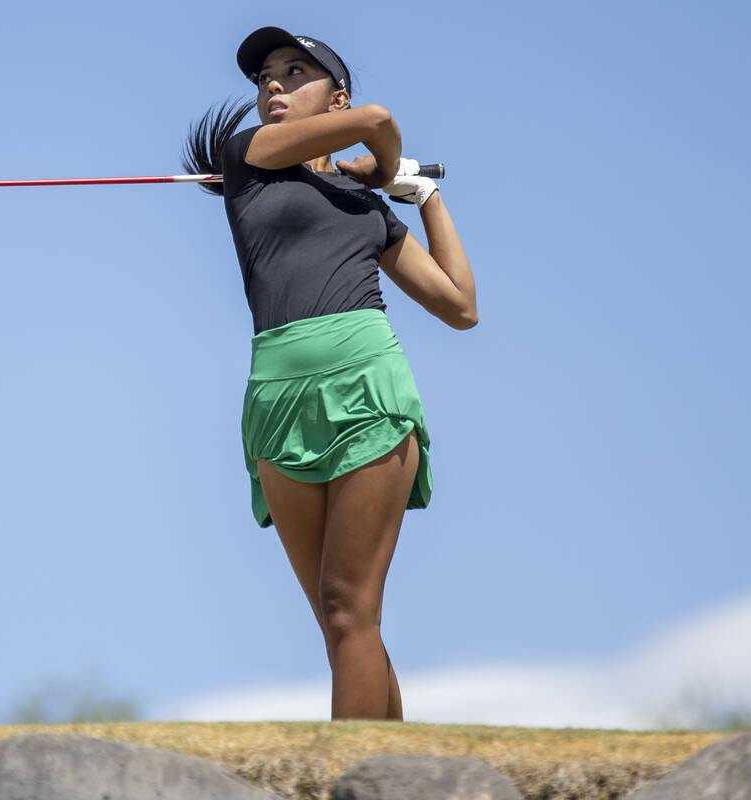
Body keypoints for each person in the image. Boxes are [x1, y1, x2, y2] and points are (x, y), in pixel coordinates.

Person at [183, 27, 477, 721]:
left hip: (364, 383)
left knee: (350, 608)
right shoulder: (247, 158)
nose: (272, 86)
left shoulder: (367, 210)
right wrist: (379, 161)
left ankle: (356, 773)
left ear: (335, 96)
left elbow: (460, 307)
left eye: (293, 72)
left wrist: (416, 194)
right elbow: (377, 125)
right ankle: (398, 774)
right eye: (263, 79)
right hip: (277, 400)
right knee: (340, 620)